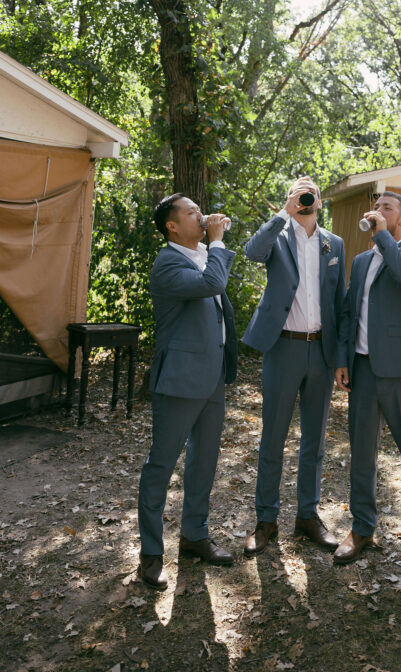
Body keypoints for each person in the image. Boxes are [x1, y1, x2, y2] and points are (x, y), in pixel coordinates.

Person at [334, 192, 401, 574]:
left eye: (387, 209)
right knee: (361, 455)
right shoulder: (361, 262)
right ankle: (362, 529)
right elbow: (349, 312)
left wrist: (382, 237)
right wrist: (343, 360)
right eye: (376, 207)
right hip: (362, 371)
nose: (378, 212)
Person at [137, 194, 238, 590]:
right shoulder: (168, 262)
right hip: (180, 378)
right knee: (161, 465)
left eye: (201, 210)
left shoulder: (202, 255)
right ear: (172, 226)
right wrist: (217, 241)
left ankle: (195, 535)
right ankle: (150, 552)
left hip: (212, 376)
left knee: (205, 460)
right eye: (192, 213)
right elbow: (212, 283)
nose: (202, 215)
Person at [242, 177, 346, 555]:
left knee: (314, 442)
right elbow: (252, 252)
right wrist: (281, 214)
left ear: (320, 200)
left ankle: (307, 516)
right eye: (299, 191)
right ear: (290, 198)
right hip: (283, 349)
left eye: (310, 191)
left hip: (321, 352)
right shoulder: (278, 236)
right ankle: (265, 520)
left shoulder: (334, 244)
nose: (305, 196)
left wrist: (342, 358)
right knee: (273, 438)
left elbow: (341, 303)